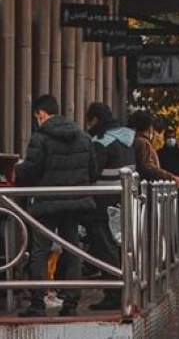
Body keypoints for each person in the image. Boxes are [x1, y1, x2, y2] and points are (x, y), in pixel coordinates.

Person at [15, 95, 98, 317]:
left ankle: (37, 304)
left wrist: (16, 172)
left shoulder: (40, 138)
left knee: (40, 251)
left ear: (41, 113)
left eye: (36, 116)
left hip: (47, 203)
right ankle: (71, 303)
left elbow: (29, 172)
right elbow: (93, 169)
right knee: (72, 249)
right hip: (74, 202)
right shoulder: (83, 136)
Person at [84, 102, 136, 310]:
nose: (88, 125)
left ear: (95, 119)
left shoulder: (102, 142)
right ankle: (125, 291)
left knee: (104, 247)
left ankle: (113, 295)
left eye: (89, 120)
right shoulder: (128, 140)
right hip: (124, 202)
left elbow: (92, 170)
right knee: (122, 246)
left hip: (103, 203)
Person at [130, 111, 179, 187]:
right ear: (149, 128)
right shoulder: (143, 143)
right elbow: (148, 167)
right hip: (145, 187)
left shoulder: (138, 141)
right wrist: (170, 178)